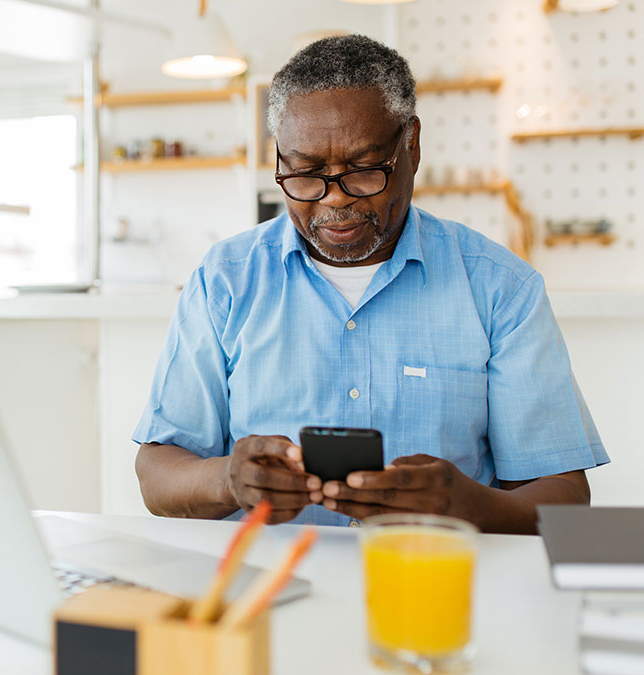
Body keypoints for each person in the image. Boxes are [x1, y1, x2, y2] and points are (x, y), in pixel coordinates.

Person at [131, 34, 608, 533]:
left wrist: (466, 505)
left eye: (363, 171)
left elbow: (566, 498)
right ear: (280, 159)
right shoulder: (225, 279)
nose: (334, 200)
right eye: (306, 173)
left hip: (433, 588)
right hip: (266, 595)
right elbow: (156, 475)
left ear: (412, 145)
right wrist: (228, 479)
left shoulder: (500, 289)